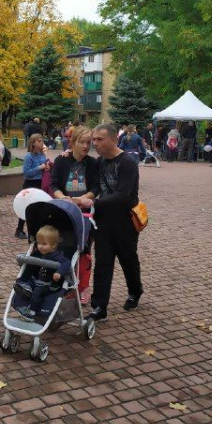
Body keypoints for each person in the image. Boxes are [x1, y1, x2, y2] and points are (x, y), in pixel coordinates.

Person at [77, 124, 141, 322]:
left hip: (125, 222)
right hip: (103, 220)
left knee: (127, 259)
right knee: (103, 263)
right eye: (93, 139)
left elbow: (122, 195)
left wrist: (94, 202)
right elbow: (81, 163)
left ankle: (135, 291)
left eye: (99, 140)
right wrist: (67, 154)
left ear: (113, 140)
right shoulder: (100, 161)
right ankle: (99, 307)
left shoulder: (127, 163)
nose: (94, 143)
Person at [50, 126, 99, 305]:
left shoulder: (93, 163)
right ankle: (63, 282)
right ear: (72, 143)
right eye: (82, 142)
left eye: (89, 142)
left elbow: (95, 188)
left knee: (83, 251)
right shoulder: (62, 161)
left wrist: (81, 199)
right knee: (62, 247)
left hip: (85, 213)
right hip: (64, 210)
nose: (86, 146)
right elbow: (53, 184)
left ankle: (82, 287)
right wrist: (63, 198)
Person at [14, 225, 72, 320]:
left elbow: (66, 263)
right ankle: (26, 288)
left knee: (37, 291)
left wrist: (59, 272)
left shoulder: (56, 256)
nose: (40, 246)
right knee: (28, 279)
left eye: (44, 244)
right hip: (39, 281)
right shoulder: (39, 253)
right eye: (38, 243)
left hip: (50, 285)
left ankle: (32, 313)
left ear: (53, 245)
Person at [15, 133, 50, 240]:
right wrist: (40, 167)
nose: (42, 143)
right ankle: (19, 229)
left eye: (42, 141)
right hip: (30, 184)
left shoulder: (42, 155)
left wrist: (46, 168)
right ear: (33, 143)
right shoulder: (28, 156)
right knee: (26, 207)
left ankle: (36, 230)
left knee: (38, 208)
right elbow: (26, 172)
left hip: (40, 183)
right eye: (39, 141)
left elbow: (44, 168)